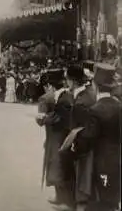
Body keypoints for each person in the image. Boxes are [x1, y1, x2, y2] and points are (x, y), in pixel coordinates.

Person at [70, 63, 121, 211]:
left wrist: (75, 145)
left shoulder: (95, 110)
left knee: (99, 202)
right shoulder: (119, 107)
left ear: (96, 86)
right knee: (112, 200)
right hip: (117, 160)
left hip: (100, 163)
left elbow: (88, 139)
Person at [35, 69, 75, 210]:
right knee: (58, 166)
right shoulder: (68, 95)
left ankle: (65, 200)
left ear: (50, 84)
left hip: (56, 136)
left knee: (57, 166)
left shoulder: (49, 98)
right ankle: (60, 197)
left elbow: (54, 118)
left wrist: (43, 118)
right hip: (60, 136)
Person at [65, 64, 97, 211]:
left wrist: (76, 146)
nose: (66, 83)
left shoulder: (81, 101)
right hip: (88, 145)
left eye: (67, 79)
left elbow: (83, 128)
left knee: (83, 180)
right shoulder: (88, 94)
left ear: (73, 81)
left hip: (83, 147)